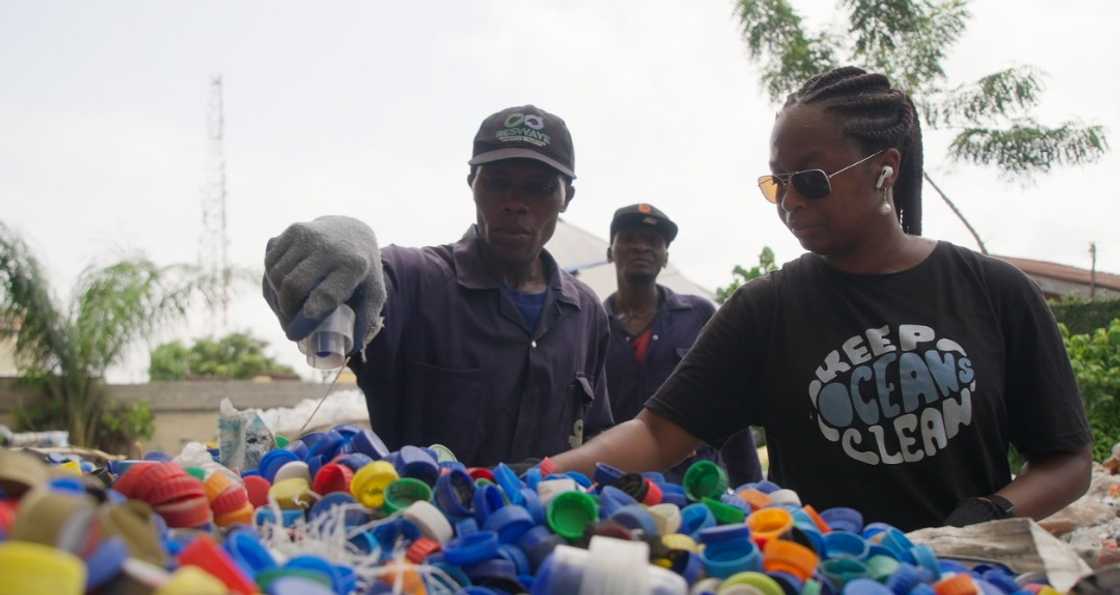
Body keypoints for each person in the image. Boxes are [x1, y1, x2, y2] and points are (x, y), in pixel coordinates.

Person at [551, 67, 1093, 531]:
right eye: (777, 182)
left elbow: (1067, 459)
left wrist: (991, 512)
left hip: (962, 577)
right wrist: (544, 474)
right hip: (820, 576)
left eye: (809, 180)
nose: (789, 201)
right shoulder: (767, 310)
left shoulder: (995, 293)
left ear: (886, 168)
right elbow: (656, 433)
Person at [263, 105, 613, 467]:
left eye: (537, 188)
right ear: (472, 183)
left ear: (567, 197)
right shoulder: (413, 280)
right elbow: (361, 280)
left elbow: (596, 432)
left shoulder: (586, 312)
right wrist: (332, 245)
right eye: (498, 183)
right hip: (418, 519)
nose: (515, 203)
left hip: (551, 520)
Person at [603, 203, 762, 487]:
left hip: (695, 491)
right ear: (610, 251)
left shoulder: (699, 315)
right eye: (628, 239)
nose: (641, 248)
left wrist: (750, 487)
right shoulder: (593, 324)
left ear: (665, 257)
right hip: (615, 489)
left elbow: (731, 405)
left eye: (653, 242)